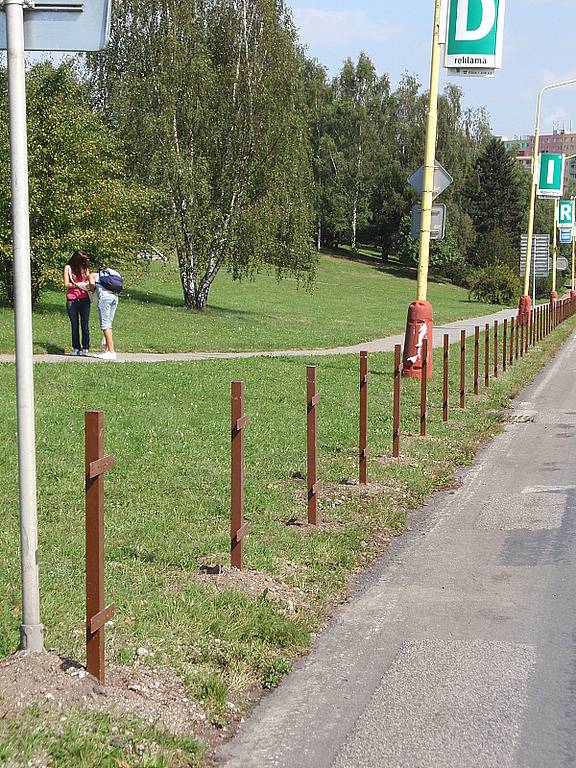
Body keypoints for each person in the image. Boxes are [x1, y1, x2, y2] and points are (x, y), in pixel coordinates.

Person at [63, 251, 91, 356]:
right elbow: (66, 284)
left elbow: (90, 279)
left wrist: (88, 284)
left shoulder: (85, 268)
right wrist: (78, 285)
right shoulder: (68, 268)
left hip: (85, 300)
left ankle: (85, 347)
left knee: (85, 325)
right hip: (72, 300)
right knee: (75, 325)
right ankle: (76, 347)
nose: (84, 262)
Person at [89, 268, 119, 360]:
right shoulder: (112, 274)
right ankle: (107, 350)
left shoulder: (93, 275)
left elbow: (92, 285)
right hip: (115, 297)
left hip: (105, 298)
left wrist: (91, 289)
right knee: (109, 324)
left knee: (105, 325)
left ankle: (111, 351)